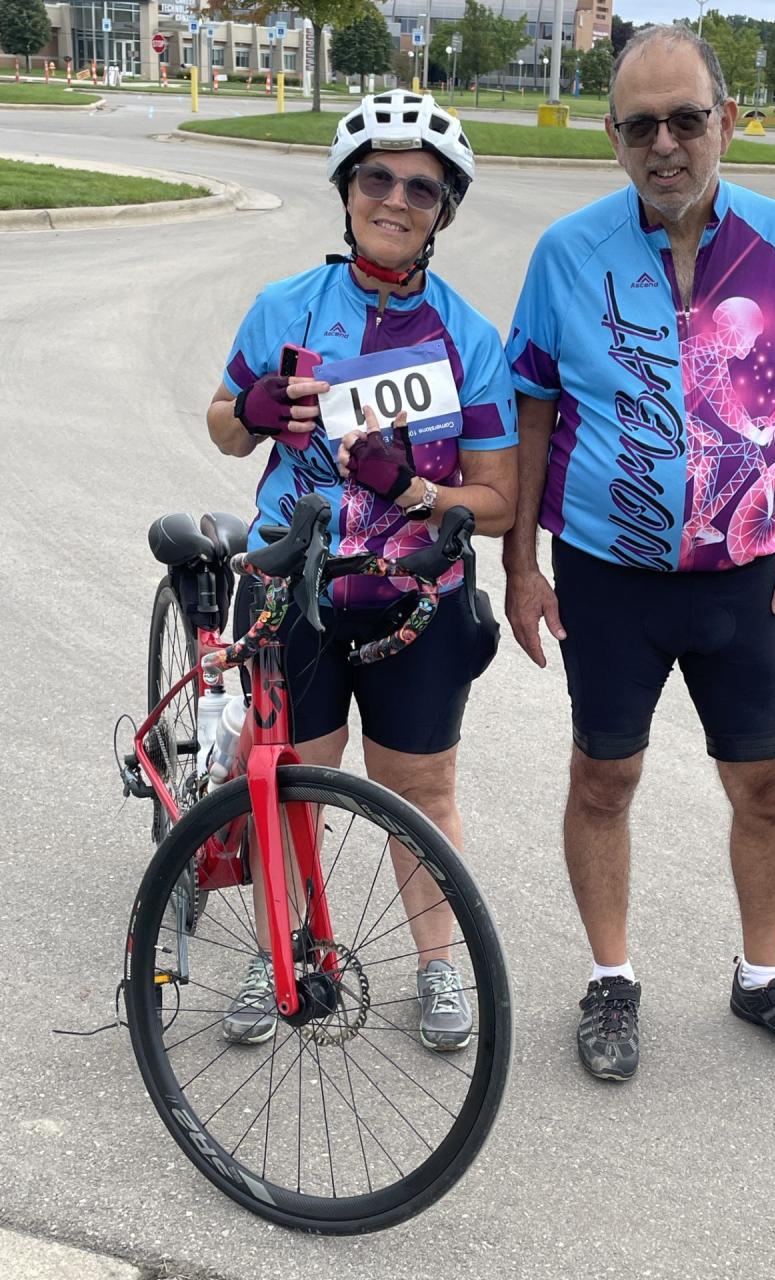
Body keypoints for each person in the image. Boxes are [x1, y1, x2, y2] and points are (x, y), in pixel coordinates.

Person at [503, 26, 775, 1082]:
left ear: (727, 123)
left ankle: (763, 978)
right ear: (614, 138)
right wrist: (519, 563)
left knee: (770, 788)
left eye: (687, 119)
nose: (666, 142)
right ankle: (611, 978)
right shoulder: (568, 252)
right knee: (603, 776)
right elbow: (529, 408)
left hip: (746, 575)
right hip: (608, 578)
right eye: (642, 124)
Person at [206, 90, 518, 1050]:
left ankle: (437, 969)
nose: (397, 199)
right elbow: (221, 426)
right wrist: (253, 410)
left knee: (419, 789)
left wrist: (420, 490)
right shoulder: (286, 306)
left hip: (416, 596)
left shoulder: (468, 338)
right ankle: (282, 956)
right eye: (377, 178)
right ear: (347, 192)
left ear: (444, 211)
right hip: (296, 584)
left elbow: (499, 500)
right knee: (297, 782)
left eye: (421, 188)